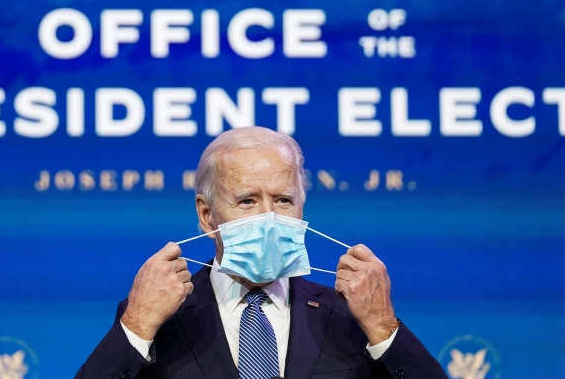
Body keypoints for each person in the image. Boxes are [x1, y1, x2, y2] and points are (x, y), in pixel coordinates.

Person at [75, 127, 447, 378]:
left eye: (283, 200)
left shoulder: (350, 315)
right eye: (248, 201)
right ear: (206, 215)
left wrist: (383, 326)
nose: (269, 218)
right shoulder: (156, 316)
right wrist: (137, 324)